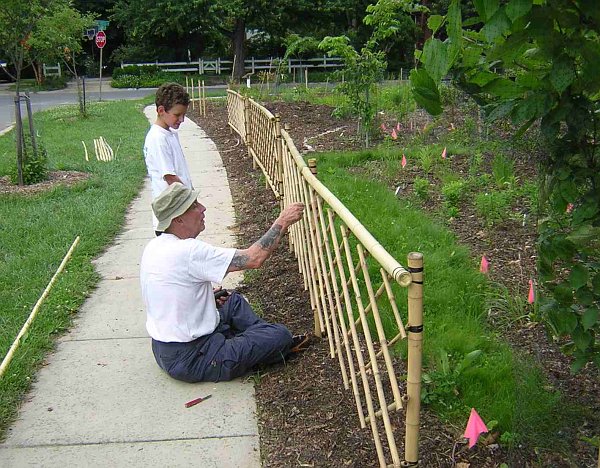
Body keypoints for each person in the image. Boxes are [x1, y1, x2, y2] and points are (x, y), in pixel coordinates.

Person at [140, 182, 309, 383]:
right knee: (280, 336)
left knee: (232, 300)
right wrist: (283, 220)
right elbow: (254, 258)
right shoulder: (189, 251)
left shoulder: (154, 246)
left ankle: (253, 341)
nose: (203, 208)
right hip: (193, 356)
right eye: (194, 206)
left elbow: (168, 294)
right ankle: (258, 345)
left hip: (163, 350)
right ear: (178, 219)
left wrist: (207, 300)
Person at [143, 82, 193, 232]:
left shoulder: (169, 134)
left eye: (184, 115)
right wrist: (192, 202)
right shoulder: (158, 139)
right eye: (177, 115)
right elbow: (170, 178)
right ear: (161, 110)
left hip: (179, 211)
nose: (182, 119)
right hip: (170, 216)